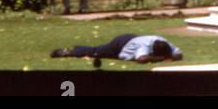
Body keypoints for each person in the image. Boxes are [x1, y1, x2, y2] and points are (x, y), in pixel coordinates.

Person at [50, 34, 183, 69]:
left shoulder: (163, 42)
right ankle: (67, 52)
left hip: (132, 39)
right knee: (96, 52)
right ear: (153, 52)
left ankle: (77, 48)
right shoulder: (145, 47)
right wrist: (161, 59)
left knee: (97, 50)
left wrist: (172, 56)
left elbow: (179, 54)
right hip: (120, 44)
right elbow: (141, 59)